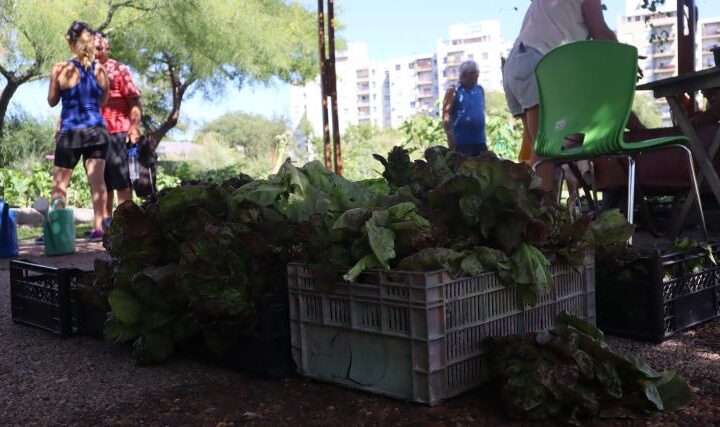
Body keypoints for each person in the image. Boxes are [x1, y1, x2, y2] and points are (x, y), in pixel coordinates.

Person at [503, 0, 645, 190]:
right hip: (538, 61)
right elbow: (600, 32)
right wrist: (624, 62)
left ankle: (542, 213)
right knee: (545, 153)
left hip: (517, 63)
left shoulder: (554, 15)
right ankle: (542, 216)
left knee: (544, 151)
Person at [47, 21, 110, 241]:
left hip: (71, 132)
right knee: (98, 183)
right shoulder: (100, 69)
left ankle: (56, 232)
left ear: (70, 42)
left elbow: (52, 101)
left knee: (60, 182)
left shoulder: (60, 69)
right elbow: (103, 99)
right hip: (96, 131)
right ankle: (99, 229)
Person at [94, 33, 142, 220]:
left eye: (99, 48)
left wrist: (135, 127)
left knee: (122, 181)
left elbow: (134, 100)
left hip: (118, 133)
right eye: (92, 49)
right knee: (100, 182)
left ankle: (126, 223)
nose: (96, 53)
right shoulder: (86, 71)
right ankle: (106, 226)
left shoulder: (119, 69)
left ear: (107, 49)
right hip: (94, 135)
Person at [442, 60, 487, 156]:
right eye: (475, 74)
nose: (477, 77)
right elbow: (446, 114)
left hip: (480, 141)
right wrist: (450, 136)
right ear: (465, 75)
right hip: (462, 144)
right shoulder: (453, 91)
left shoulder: (479, 89)